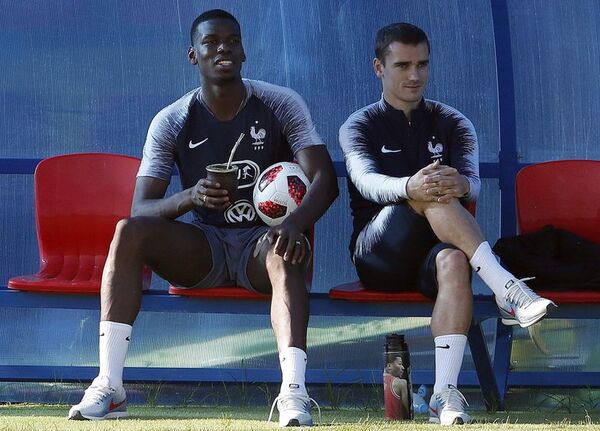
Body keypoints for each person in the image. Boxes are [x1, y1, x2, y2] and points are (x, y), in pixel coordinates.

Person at [68, 9, 338, 427]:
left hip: (262, 244)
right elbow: (142, 209)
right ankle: (109, 384)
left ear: (244, 50)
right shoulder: (172, 119)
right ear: (193, 55)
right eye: (211, 42)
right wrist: (190, 196)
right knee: (128, 231)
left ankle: (294, 393)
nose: (223, 48)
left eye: (232, 40)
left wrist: (293, 222)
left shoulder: (280, 103)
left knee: (283, 252)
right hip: (204, 247)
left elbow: (325, 179)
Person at [338, 22, 555, 426]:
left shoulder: (453, 122)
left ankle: (444, 394)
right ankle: (508, 288)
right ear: (378, 68)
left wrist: (462, 184)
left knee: (454, 261)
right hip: (378, 255)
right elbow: (365, 181)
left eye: (422, 64)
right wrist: (412, 185)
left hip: (432, 255)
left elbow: (473, 184)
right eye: (402, 65)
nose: (414, 75)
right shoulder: (359, 125)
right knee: (427, 191)